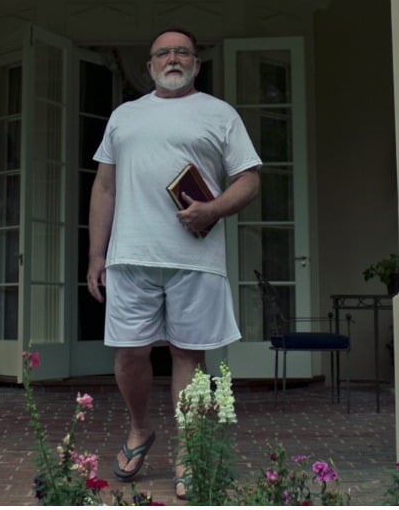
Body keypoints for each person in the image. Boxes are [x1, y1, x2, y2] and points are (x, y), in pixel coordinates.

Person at [86, 27, 262, 500]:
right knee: (129, 352)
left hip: (195, 258)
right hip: (130, 256)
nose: (172, 58)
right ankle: (140, 428)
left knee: (188, 355)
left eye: (182, 51)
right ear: (149, 66)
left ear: (197, 64)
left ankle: (188, 449)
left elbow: (249, 179)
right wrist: (96, 255)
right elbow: (104, 187)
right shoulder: (124, 117)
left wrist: (214, 208)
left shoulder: (220, 114)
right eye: (162, 53)